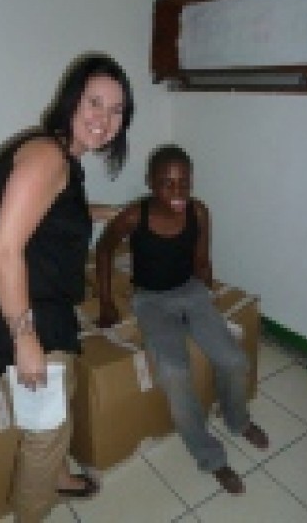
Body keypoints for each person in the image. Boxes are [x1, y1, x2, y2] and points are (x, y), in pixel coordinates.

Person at [0, 52, 134, 521]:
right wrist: (25, 337)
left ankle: (58, 474)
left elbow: (54, 212)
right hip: (11, 312)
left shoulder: (59, 156)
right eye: (95, 102)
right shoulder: (48, 157)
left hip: (38, 301)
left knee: (62, 387)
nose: (105, 119)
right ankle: (33, 507)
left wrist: (109, 213)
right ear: (71, 100)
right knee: (46, 427)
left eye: (117, 110)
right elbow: (3, 251)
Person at [95, 144, 268, 495]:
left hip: (190, 291)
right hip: (151, 300)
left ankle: (238, 420)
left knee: (234, 360)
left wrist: (209, 298)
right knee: (174, 373)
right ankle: (210, 457)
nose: (177, 193)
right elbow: (103, 249)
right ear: (150, 182)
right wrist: (106, 303)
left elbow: (202, 259)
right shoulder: (133, 216)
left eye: (184, 183)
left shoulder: (198, 212)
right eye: (166, 183)